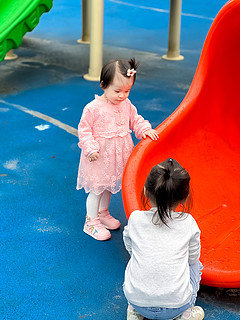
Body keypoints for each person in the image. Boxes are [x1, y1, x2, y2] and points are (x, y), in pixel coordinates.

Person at [76, 58, 159, 241]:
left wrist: (145, 129)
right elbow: (84, 129)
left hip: (117, 155)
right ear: (103, 85)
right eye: (118, 91)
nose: (122, 95)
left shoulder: (126, 105)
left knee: (107, 188)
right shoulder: (93, 108)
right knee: (97, 189)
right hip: (99, 156)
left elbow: (135, 119)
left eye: (127, 91)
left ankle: (103, 213)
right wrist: (90, 148)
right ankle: (91, 221)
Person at [123, 158, 204, 320]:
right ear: (185, 197)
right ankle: (185, 314)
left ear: (146, 191)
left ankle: (135, 312)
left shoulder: (135, 219)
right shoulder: (188, 222)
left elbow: (130, 247)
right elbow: (192, 258)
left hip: (137, 301)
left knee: (137, 257)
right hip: (177, 305)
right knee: (196, 264)